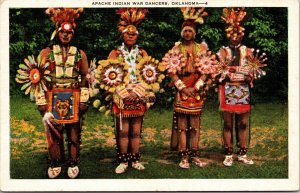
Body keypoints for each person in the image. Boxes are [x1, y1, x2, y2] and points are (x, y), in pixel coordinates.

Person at [99, 8, 157, 174]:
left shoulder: (143, 53)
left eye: (134, 34)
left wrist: (138, 92)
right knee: (123, 130)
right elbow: (107, 76)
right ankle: (123, 160)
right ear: (122, 35)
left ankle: (135, 159)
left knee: (136, 130)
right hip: (121, 95)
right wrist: (124, 92)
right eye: (128, 33)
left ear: (137, 36)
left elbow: (150, 76)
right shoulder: (115, 53)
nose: (131, 36)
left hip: (139, 94)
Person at [36, 8, 89, 178]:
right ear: (57, 32)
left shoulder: (80, 54)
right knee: (54, 132)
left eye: (69, 32)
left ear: (73, 34)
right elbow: (38, 77)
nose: (66, 35)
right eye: (63, 32)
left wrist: (84, 99)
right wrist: (41, 102)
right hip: (53, 97)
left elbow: (85, 78)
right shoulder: (46, 53)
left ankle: (73, 162)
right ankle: (56, 162)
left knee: (74, 133)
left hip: (73, 96)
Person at [164, 8, 214, 169]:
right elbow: (171, 72)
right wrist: (182, 87)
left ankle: (194, 154)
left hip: (196, 89)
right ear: (181, 32)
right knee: (182, 126)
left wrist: (197, 86)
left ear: (195, 33)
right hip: (182, 89)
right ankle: (184, 156)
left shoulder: (202, 49)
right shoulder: (176, 49)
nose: (187, 34)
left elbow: (207, 71)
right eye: (185, 31)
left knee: (195, 125)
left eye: (190, 31)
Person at [217, 7, 267, 167]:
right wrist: (238, 71)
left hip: (244, 90)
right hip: (227, 90)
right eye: (232, 34)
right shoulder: (223, 51)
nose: (234, 37)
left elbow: (253, 70)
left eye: (237, 34)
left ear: (241, 34)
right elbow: (219, 70)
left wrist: (241, 72)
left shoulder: (248, 51)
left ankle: (243, 153)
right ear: (228, 35)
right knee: (228, 124)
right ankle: (229, 153)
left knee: (243, 123)